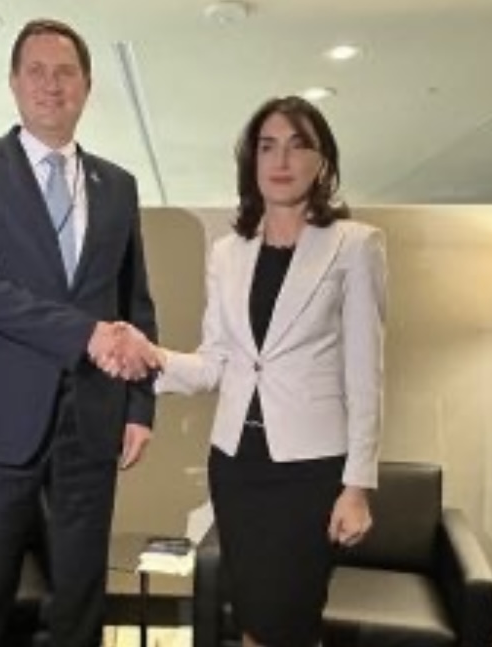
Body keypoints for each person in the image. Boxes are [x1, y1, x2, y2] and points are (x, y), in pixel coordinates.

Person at [0, 18, 159, 647]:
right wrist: (85, 333)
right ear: (13, 82)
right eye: (36, 71)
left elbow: (135, 303)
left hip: (93, 419)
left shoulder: (118, 186)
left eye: (65, 72)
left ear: (86, 85)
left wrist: (140, 407)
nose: (50, 85)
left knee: (81, 598)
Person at [152, 96, 387, 647]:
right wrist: (150, 357)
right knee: (253, 620)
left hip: (309, 473)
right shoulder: (227, 252)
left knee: (292, 621)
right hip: (237, 467)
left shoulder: (356, 245)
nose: (281, 160)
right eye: (267, 146)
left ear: (322, 162)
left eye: (298, 145)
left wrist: (356, 487)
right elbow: (215, 363)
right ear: (251, 161)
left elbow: (366, 376)